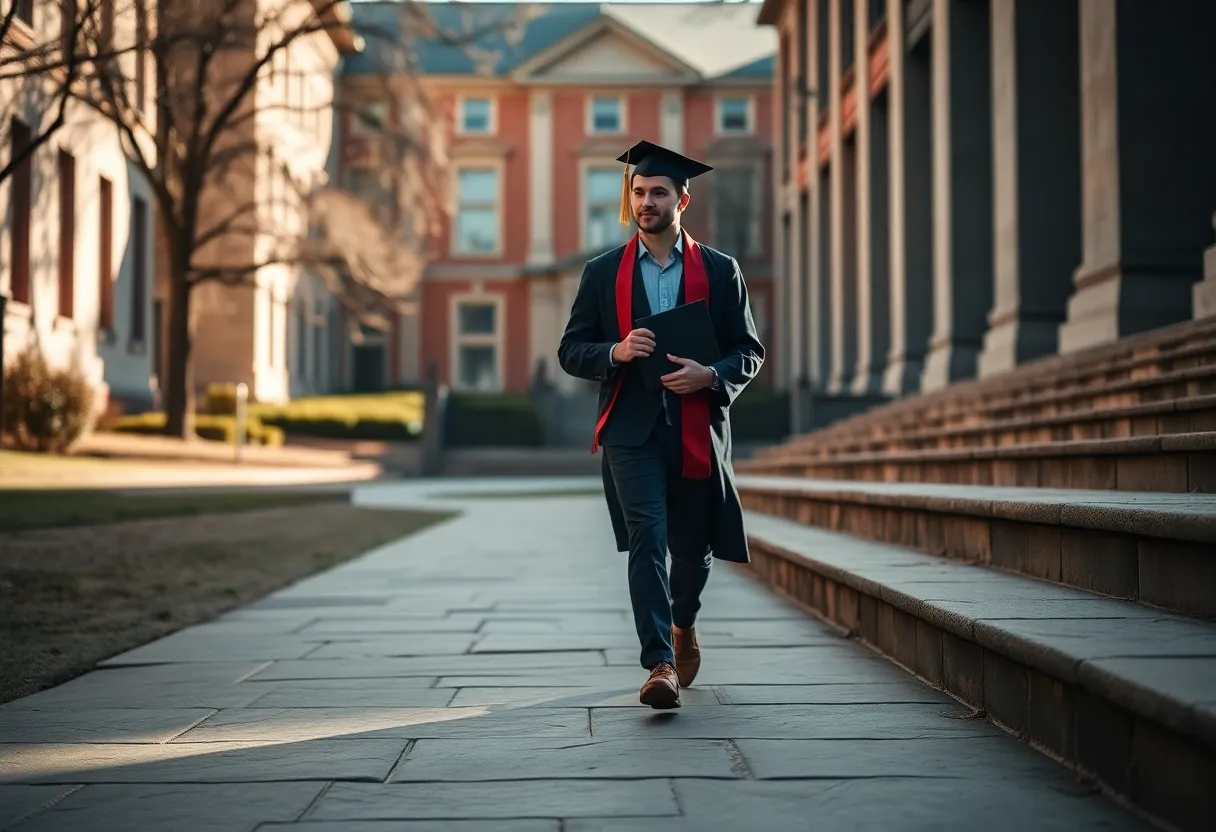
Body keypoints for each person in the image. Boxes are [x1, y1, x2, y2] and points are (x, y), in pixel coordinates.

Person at [557, 140, 765, 709]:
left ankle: (684, 623)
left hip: (696, 429)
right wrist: (617, 352)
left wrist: (711, 375)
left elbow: (749, 351)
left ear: (683, 198)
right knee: (647, 538)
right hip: (631, 430)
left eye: (658, 192)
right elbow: (571, 349)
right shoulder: (603, 273)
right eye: (639, 191)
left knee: (692, 549)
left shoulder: (721, 272)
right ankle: (659, 664)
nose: (646, 201)